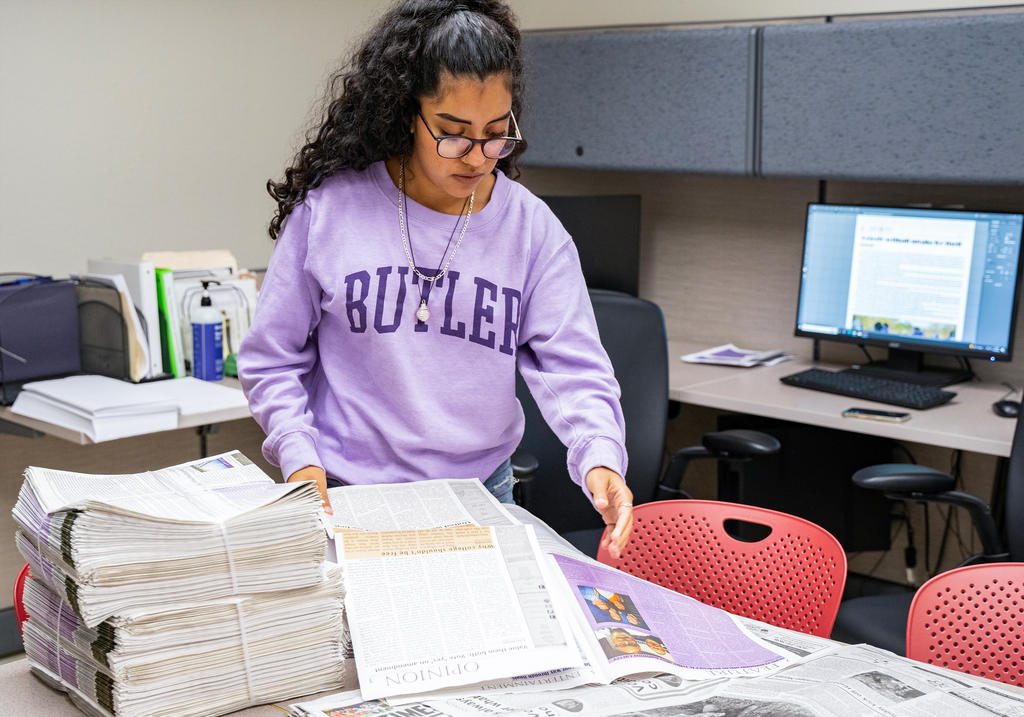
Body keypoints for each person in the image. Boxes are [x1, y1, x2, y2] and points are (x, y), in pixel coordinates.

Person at [238, 0, 633, 557]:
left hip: (482, 497)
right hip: (348, 494)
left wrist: (599, 454)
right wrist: (299, 454)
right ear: (405, 114)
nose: (476, 157)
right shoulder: (330, 214)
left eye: (497, 134)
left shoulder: (531, 229)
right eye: (452, 133)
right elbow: (273, 358)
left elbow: (573, 366)